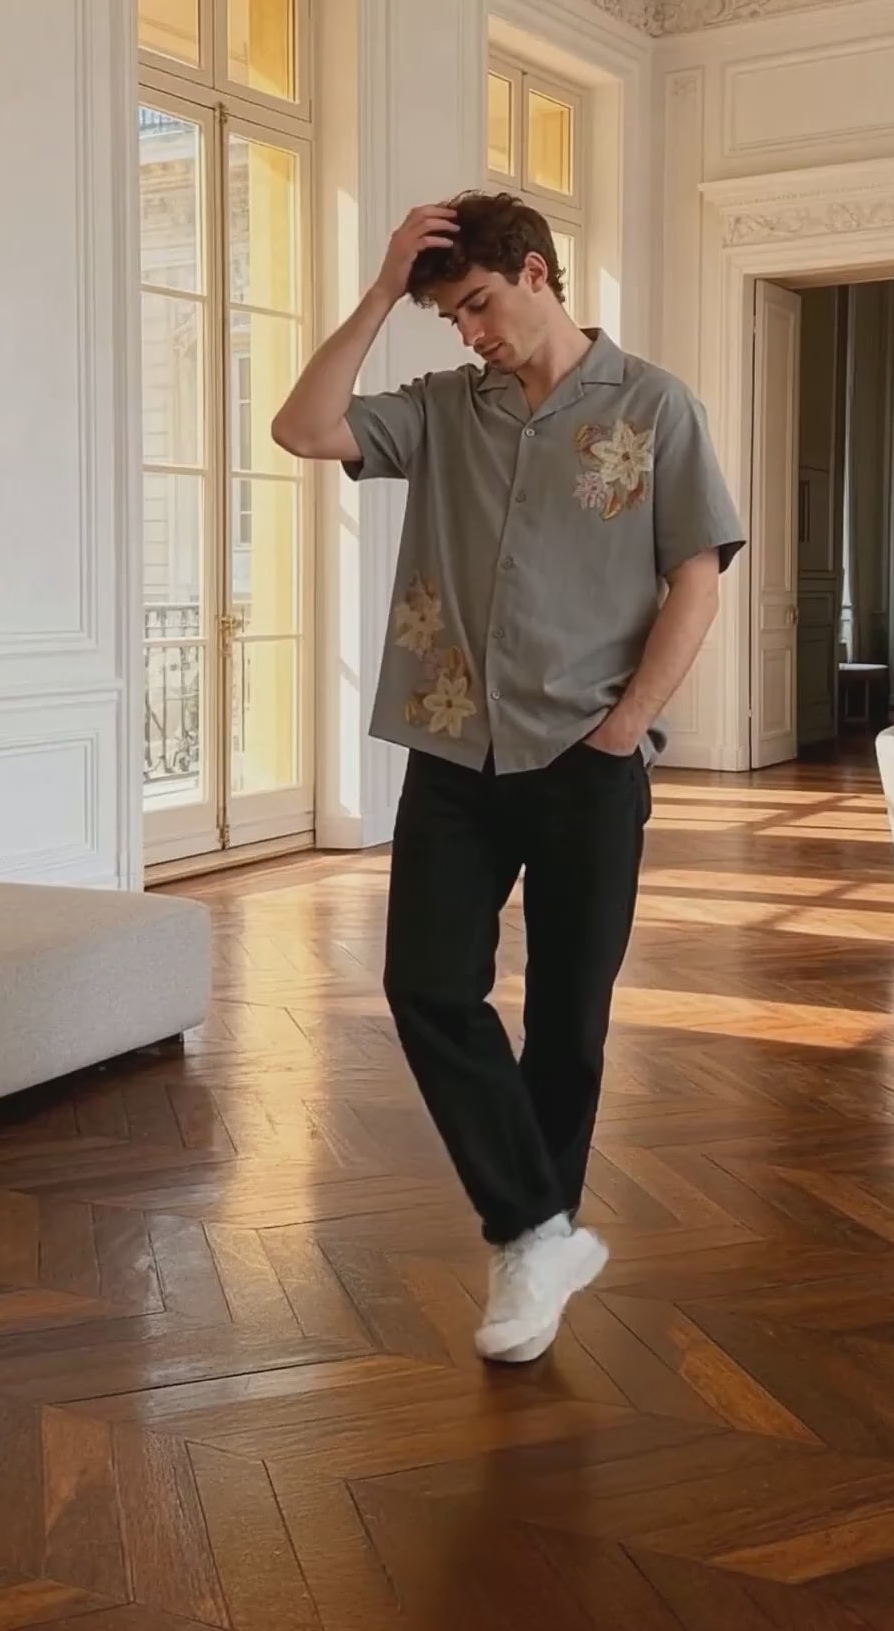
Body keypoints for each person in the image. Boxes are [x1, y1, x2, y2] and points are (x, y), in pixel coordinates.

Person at [273, 192, 744, 1364]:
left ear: (537, 272)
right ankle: (537, 1230)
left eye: (477, 304)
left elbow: (695, 579)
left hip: (588, 755)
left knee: (569, 1023)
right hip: (453, 749)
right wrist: (383, 289)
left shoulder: (655, 406)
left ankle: (531, 1255)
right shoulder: (443, 411)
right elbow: (302, 427)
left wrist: (628, 727)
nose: (470, 332)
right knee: (427, 986)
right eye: (451, 317)